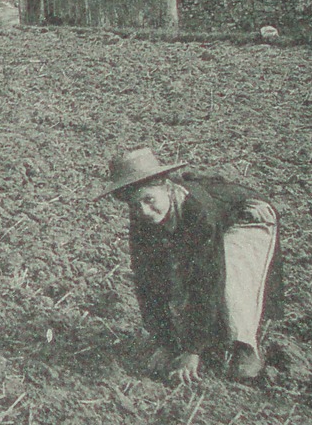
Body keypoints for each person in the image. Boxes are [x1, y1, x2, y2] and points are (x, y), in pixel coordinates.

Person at [97, 147, 283, 384]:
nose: (144, 210)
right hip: (212, 223)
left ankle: (245, 345)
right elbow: (147, 280)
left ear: (165, 186)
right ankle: (202, 336)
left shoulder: (198, 211)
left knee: (229, 275)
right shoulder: (142, 220)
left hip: (246, 217)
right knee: (172, 272)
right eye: (135, 205)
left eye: (149, 199)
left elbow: (207, 278)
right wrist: (165, 343)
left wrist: (193, 351)